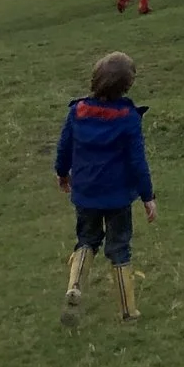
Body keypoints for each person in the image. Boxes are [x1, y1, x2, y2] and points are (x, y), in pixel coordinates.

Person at [55, 51, 156, 323]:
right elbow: (138, 161)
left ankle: (74, 286)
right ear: (127, 86)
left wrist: (62, 174)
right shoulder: (128, 118)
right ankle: (128, 311)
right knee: (120, 248)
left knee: (86, 240)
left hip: (86, 192)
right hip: (118, 197)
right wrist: (148, 196)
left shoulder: (77, 112)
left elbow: (64, 147)